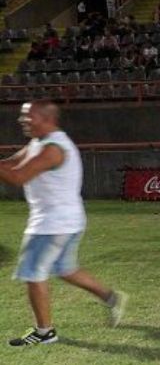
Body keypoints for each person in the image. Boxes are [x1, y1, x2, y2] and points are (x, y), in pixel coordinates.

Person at [0, 101, 128, 346]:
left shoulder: (53, 149)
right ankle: (110, 297)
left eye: (28, 116)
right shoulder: (38, 143)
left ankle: (45, 332)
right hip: (65, 220)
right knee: (65, 269)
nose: (22, 120)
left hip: (52, 223)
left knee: (32, 272)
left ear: (47, 119)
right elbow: (10, 165)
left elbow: (18, 177)